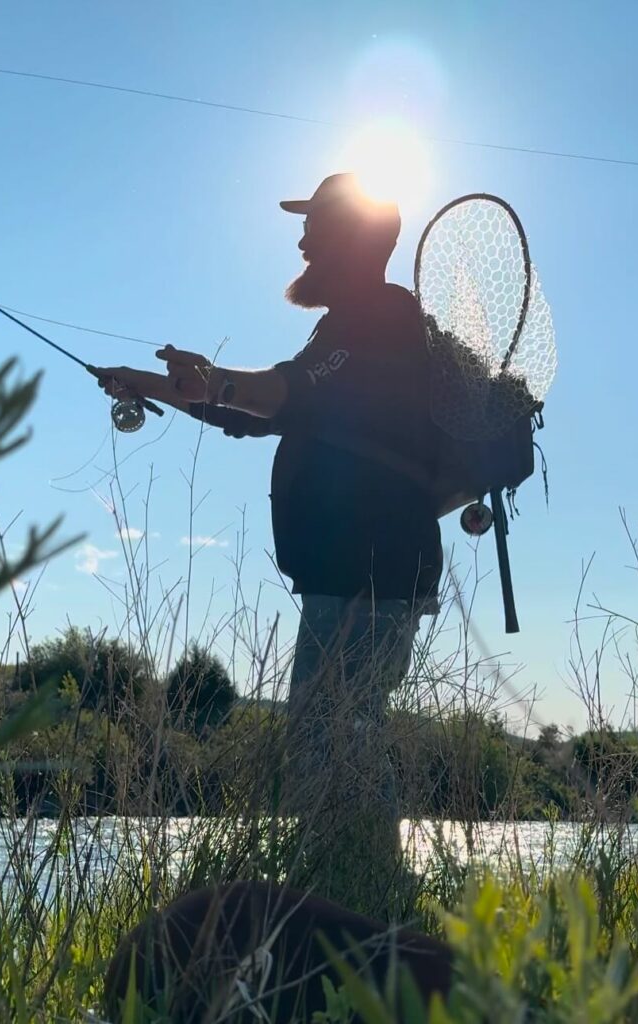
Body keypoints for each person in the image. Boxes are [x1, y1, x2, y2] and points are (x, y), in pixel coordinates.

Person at [92, 172, 443, 907]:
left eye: (316, 225)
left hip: (368, 573)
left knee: (331, 738)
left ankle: (364, 905)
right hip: (356, 575)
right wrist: (146, 384)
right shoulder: (344, 327)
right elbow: (261, 411)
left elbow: (287, 392)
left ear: (350, 240)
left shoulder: (380, 317)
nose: (303, 238)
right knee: (339, 733)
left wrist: (216, 380)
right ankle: (363, 901)